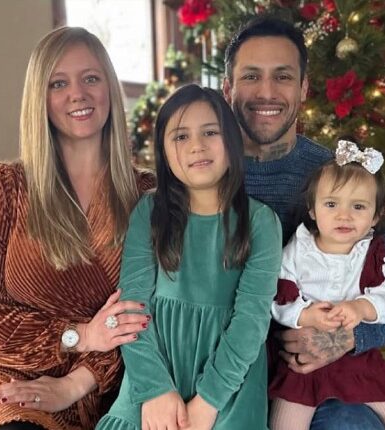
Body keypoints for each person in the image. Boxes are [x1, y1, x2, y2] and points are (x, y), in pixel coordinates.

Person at [222, 16, 385, 429]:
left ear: (303, 88)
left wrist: (348, 337)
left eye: (282, 76)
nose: (266, 91)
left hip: (325, 377)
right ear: (228, 88)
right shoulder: (204, 175)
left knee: (347, 424)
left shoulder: (341, 179)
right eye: (251, 76)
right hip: (226, 371)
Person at [0, 27, 153, 430]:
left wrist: (79, 380)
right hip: (5, 373)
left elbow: (155, 313)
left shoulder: (147, 195)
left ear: (110, 89)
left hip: (103, 382)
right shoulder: (6, 186)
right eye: (58, 83)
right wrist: (79, 335)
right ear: (40, 100)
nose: (77, 94)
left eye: (90, 78)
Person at [96, 84, 282, 430]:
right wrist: (155, 390)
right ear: (164, 151)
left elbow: (251, 321)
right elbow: (131, 308)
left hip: (228, 386)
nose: (197, 145)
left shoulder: (260, 222)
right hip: (153, 372)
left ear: (232, 141)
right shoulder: (149, 212)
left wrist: (208, 401)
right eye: (181, 137)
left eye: (210, 132)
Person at [269, 139, 385, 430]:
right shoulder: (298, 249)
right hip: (302, 366)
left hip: (357, 361)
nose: (344, 215)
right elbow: (278, 295)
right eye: (331, 204)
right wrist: (305, 315)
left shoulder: (371, 253)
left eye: (358, 206)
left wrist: (362, 308)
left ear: (376, 216)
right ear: (312, 209)